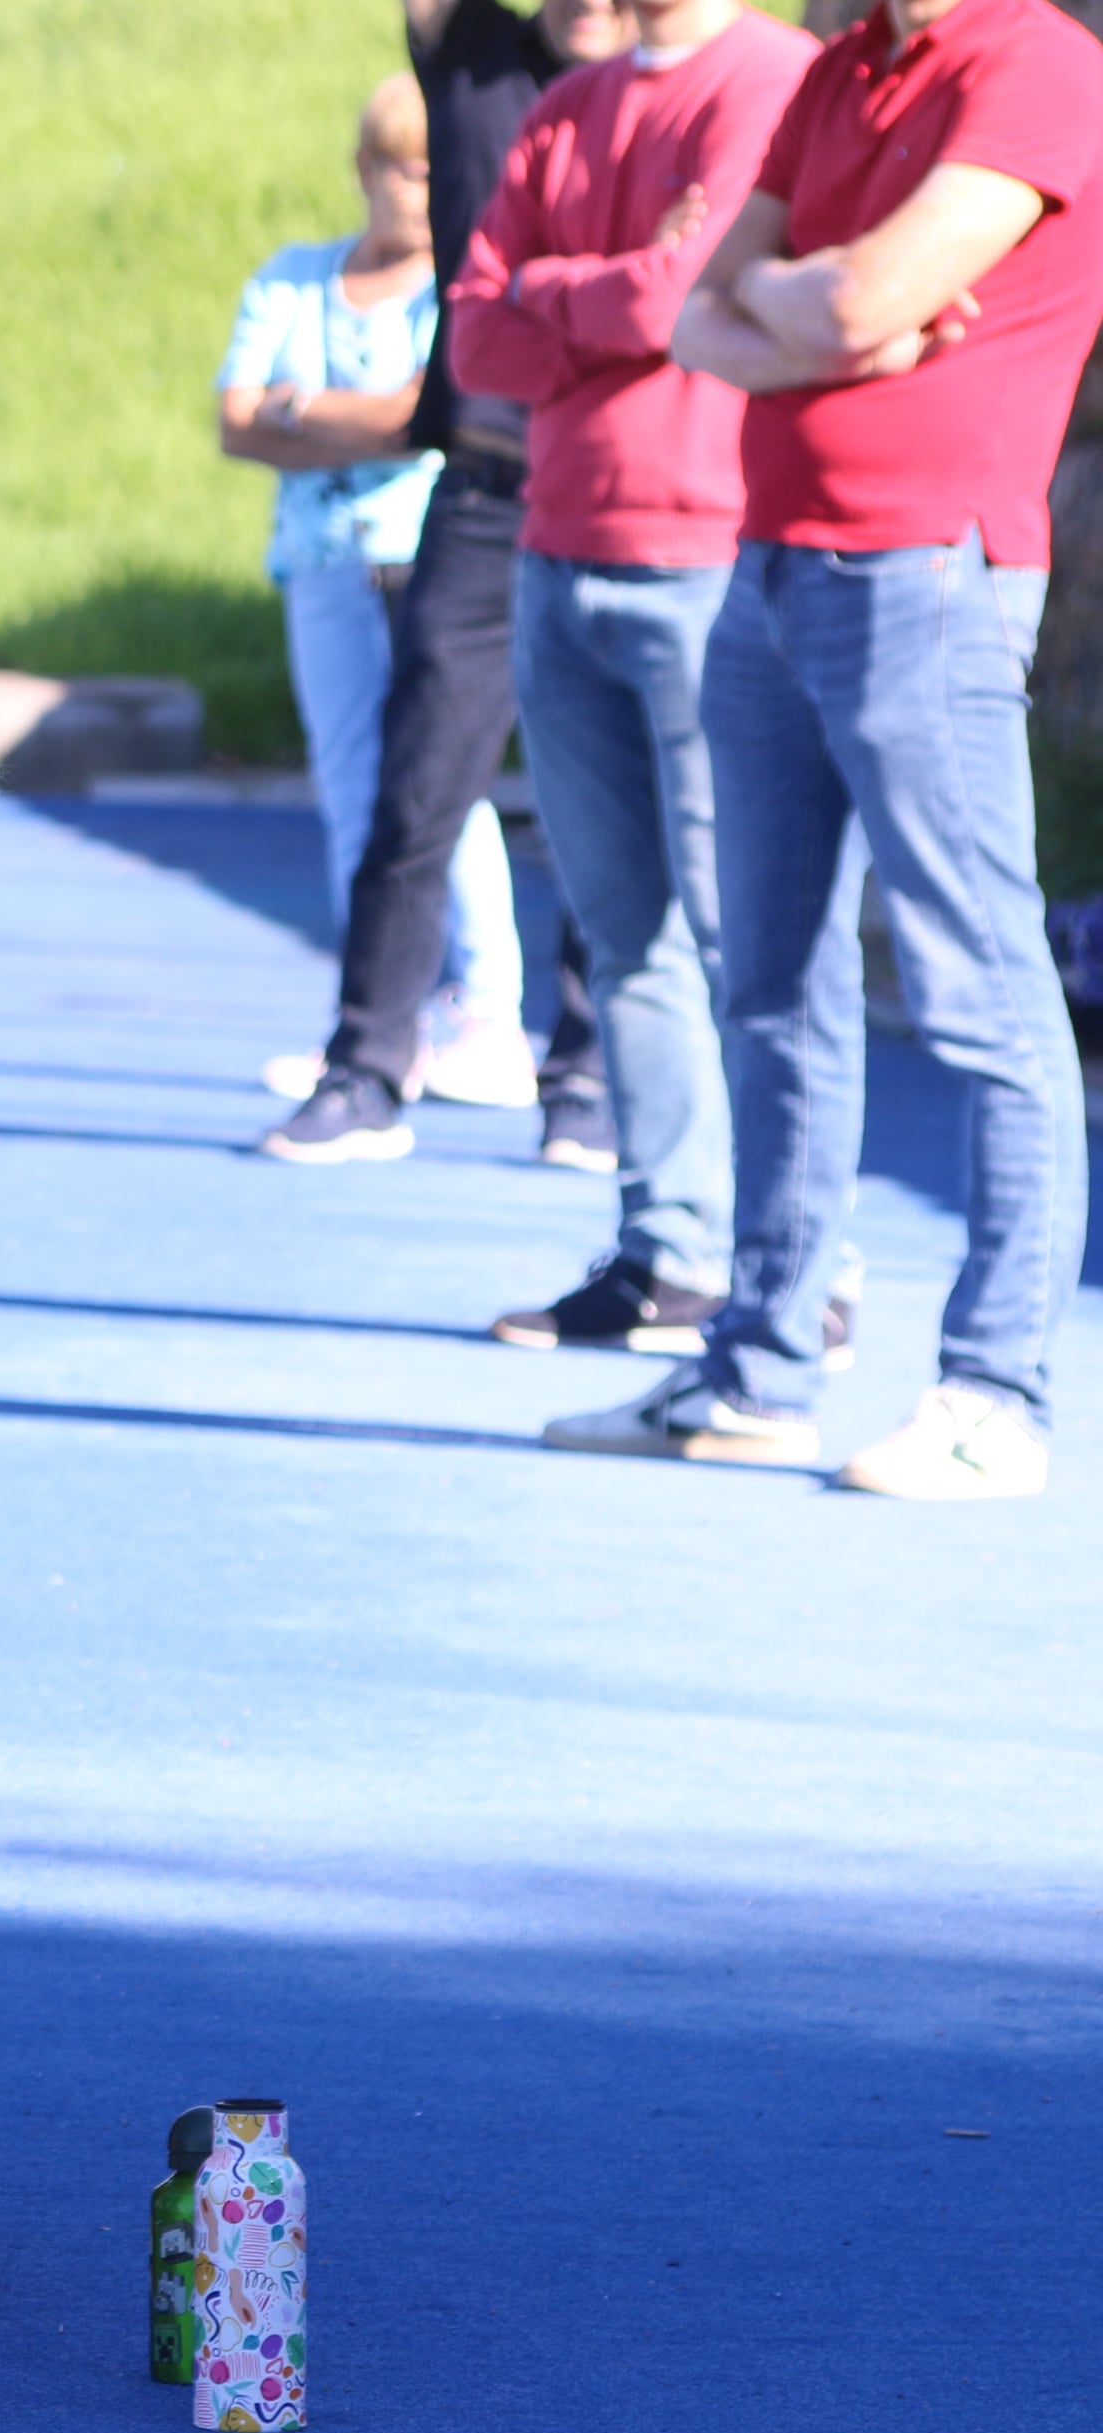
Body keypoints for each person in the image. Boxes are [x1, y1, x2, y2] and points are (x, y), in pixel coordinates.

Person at [558, 0, 1103, 1496]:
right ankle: (759, 1369)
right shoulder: (844, 68)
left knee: (979, 985)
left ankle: (1001, 1396)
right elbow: (694, 310)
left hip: (927, 575)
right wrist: (829, 308)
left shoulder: (1039, 62)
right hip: (773, 568)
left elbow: (847, 304)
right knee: (775, 985)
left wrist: (807, 310)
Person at [449, 0, 826, 1356]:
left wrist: (562, 286)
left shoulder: (773, 81)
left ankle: (802, 1268)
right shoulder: (565, 108)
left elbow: (683, 307)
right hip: (559, 557)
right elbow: (475, 336)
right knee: (627, 938)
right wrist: (601, 289)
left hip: (709, 559)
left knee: (750, 936)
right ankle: (676, 1252)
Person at [265, 0, 636, 1168]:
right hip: (481, 492)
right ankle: (368, 1066)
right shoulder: (476, 60)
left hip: (626, 484)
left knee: (613, 804)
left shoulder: (685, 91)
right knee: (416, 787)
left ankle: (588, 1076)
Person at [222, 72, 537, 1112]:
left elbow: (424, 417)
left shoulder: (462, 283)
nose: (423, 188)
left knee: (445, 788)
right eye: (406, 167)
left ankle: (488, 1010)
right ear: (366, 171)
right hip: (324, 566)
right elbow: (236, 422)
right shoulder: (293, 277)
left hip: (435, 559)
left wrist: (301, 406)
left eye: (439, 168)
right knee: (353, 788)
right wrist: (355, 416)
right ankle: (377, 1016)